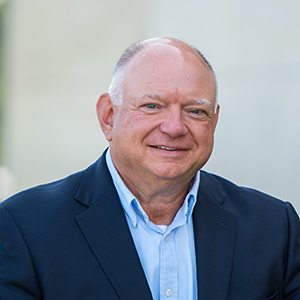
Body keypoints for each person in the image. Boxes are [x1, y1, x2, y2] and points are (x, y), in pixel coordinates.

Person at [0, 37, 299, 300]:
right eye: (152, 106)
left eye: (195, 111)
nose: (174, 127)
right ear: (108, 117)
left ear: (214, 122)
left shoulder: (275, 227)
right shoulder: (24, 228)